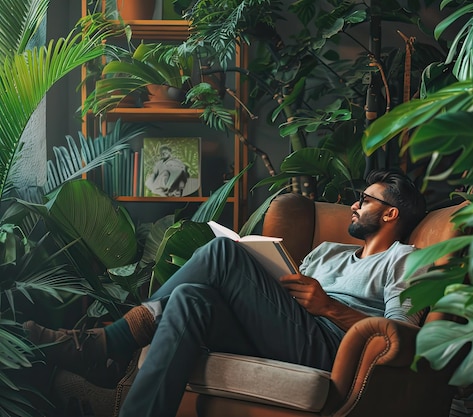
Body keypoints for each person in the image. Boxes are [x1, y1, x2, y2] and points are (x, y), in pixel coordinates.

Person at [24, 169, 427, 417]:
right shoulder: (327, 252)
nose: (354, 205)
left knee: (221, 252)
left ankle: (112, 343)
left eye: (365, 200)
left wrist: (328, 306)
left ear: (391, 213)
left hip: (332, 347)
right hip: (285, 330)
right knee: (189, 302)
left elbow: (400, 335)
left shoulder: (404, 260)